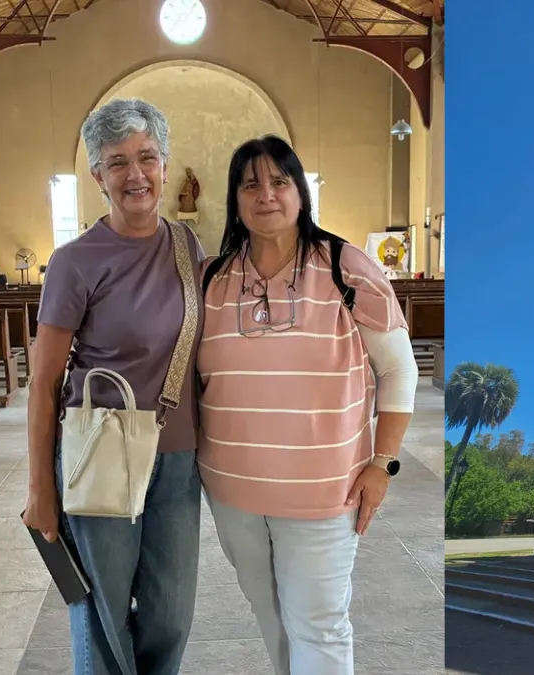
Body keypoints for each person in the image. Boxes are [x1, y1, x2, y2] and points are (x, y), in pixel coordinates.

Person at [197, 135, 418, 675]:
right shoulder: (211, 278)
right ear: (235, 199)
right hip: (232, 491)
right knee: (270, 615)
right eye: (250, 184)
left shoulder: (346, 267)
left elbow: (398, 370)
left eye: (279, 181)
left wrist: (383, 464)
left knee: (318, 624)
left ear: (300, 192)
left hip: (324, 490)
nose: (265, 195)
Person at [21, 98, 204, 674]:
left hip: (177, 457)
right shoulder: (75, 262)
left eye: (146, 157)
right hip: (102, 449)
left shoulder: (187, 247)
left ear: (165, 165)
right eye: (117, 162)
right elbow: (44, 381)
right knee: (104, 610)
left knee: (171, 614)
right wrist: (40, 488)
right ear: (98, 176)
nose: (135, 174)